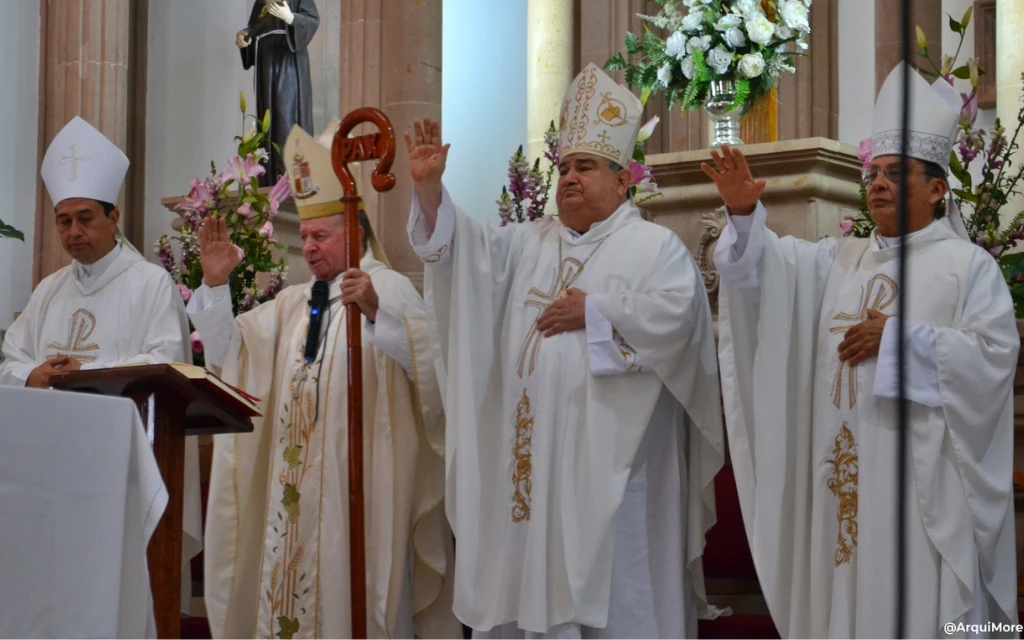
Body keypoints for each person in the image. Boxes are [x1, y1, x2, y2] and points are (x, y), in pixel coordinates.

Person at [404, 63, 724, 638]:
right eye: (564, 167)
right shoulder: (527, 241)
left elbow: (680, 321)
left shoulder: (655, 248)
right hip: (532, 465)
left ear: (623, 180)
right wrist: (431, 193)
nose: (570, 177)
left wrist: (596, 311)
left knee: (615, 592)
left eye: (586, 166)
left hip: (621, 476)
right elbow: (463, 259)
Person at [708, 62, 1019, 637]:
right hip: (841, 478)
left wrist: (900, 342)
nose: (876, 183)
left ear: (936, 188)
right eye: (874, 172)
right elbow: (765, 280)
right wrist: (744, 212)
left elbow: (993, 359)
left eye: (896, 174)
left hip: (918, 497)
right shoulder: (837, 259)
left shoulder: (967, 267)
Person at [188, 122, 458, 639]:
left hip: (362, 489)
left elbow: (432, 367)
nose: (308, 248)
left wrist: (379, 314)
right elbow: (230, 355)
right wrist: (217, 286)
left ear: (355, 234)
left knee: (350, 590)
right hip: (292, 492)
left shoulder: (390, 288)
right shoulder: (292, 304)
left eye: (321, 235)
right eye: (305, 237)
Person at [0, 115, 203, 613]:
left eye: (86, 218)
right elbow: (12, 359)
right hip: (51, 469)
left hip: (126, 470)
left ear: (114, 219)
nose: (73, 232)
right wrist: (35, 375)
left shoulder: (150, 284)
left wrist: (83, 377)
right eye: (63, 220)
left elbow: (165, 363)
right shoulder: (49, 290)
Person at [236, 0, 319, 185]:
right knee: (267, 123)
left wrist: (289, 17)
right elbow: (254, 28)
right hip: (266, 63)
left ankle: (292, 183)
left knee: (286, 120)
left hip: (288, 61)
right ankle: (269, 183)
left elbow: (312, 20)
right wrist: (245, 38)